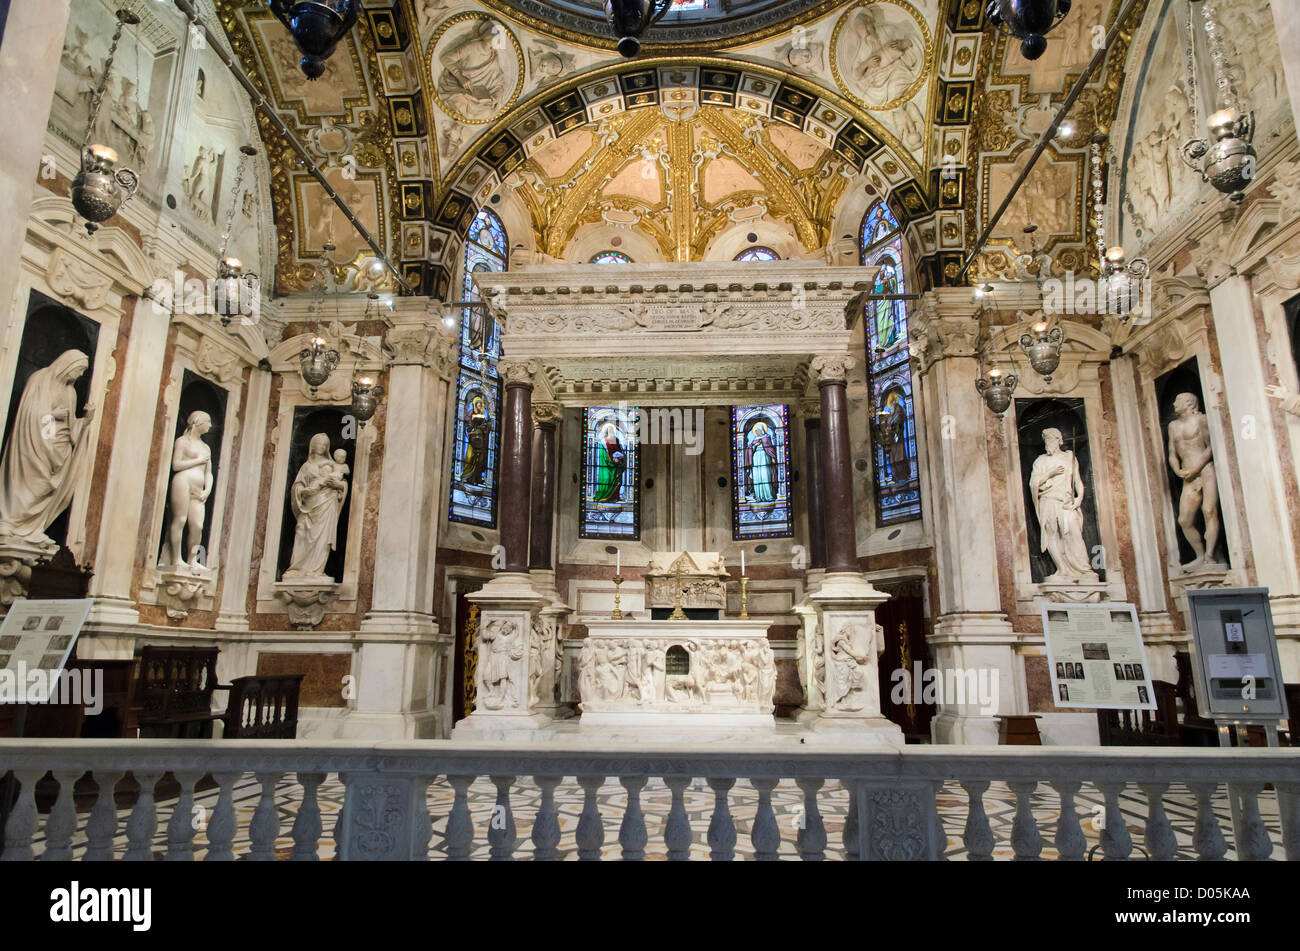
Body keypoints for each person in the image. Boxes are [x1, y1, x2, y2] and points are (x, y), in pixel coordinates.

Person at [0, 350, 95, 548]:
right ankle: (10, 522)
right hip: (32, 442)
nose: (80, 375)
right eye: (79, 369)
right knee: (30, 484)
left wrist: (85, 421)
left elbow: (70, 427)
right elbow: (31, 413)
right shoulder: (40, 379)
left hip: (58, 449)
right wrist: (53, 416)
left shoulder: (71, 392)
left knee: (47, 487)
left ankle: (34, 528)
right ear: (68, 364)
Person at [1029, 427, 1099, 584]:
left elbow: (1078, 482)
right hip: (1048, 501)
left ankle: (1084, 569)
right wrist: (1049, 474)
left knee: (1073, 533)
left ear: (1059, 440)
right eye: (1045, 439)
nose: (1047, 442)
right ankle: (1062, 569)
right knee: (1051, 534)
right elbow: (1034, 484)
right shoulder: (1040, 461)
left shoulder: (1069, 457)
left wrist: (1079, 498)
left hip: (1066, 502)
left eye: (1050, 439)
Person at [1167, 392, 1223, 569]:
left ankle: (1210, 555)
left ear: (1190, 403)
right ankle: (1199, 554)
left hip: (1204, 470)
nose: (1175, 403)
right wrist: (1177, 469)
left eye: (1179, 400)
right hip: (1187, 475)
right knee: (1184, 520)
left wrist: (1196, 468)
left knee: (1209, 510)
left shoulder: (1201, 420)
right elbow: (1172, 453)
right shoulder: (1173, 426)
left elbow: (1210, 447)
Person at [283, 434, 349, 580]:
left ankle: (316, 570)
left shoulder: (332, 465)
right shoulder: (306, 466)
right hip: (309, 504)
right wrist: (304, 491)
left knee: (323, 536)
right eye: (319, 444)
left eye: (325, 444)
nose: (322, 447)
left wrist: (339, 485)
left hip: (327, 503)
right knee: (301, 531)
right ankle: (297, 568)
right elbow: (297, 486)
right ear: (312, 445)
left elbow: (342, 483)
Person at [163, 410, 213, 568]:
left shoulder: (206, 447)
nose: (210, 425)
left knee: (198, 525)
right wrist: (197, 460)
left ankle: (193, 560)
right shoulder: (182, 442)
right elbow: (176, 465)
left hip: (199, 489)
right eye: (208, 422)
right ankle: (176, 558)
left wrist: (208, 490)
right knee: (180, 519)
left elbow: (209, 473)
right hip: (182, 482)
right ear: (198, 422)